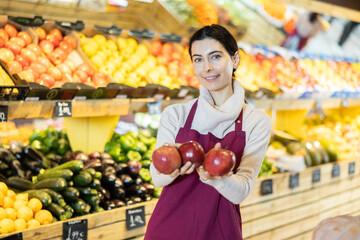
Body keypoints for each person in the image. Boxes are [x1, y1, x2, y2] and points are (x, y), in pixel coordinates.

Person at [144, 24, 271, 240]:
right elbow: (156, 179)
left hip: (220, 230)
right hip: (169, 228)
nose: (206, 68)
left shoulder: (255, 121)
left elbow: (241, 191)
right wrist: (172, 165)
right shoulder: (176, 114)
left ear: (235, 60)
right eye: (198, 59)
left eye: (215, 57)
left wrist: (217, 178)